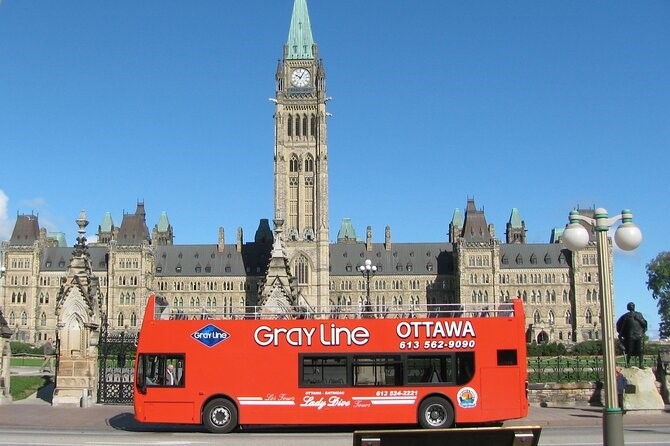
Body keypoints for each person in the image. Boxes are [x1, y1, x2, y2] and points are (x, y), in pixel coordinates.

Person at [616, 302, 648, 368]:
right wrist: (620, 334)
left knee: (640, 350)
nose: (631, 306)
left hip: (639, 335)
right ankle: (628, 363)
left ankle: (641, 364)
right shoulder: (626, 316)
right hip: (631, 335)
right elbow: (622, 326)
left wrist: (638, 318)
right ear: (628, 307)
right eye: (630, 305)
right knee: (630, 350)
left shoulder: (639, 314)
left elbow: (644, 324)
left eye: (632, 305)